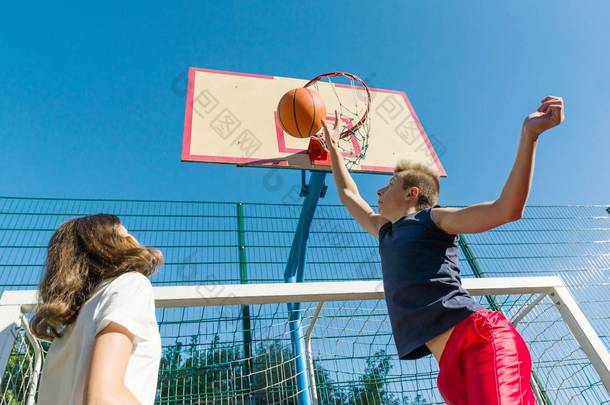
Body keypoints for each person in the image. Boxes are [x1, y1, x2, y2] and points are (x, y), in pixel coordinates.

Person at [321, 96, 564, 404]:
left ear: (412, 193)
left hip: (480, 340)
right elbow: (347, 193)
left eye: (390, 184)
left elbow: (506, 209)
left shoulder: (433, 218)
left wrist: (530, 135)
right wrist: (332, 150)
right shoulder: (384, 232)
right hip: (448, 369)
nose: (379, 191)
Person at [31, 214, 163, 405]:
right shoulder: (129, 285)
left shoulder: (65, 336)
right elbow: (103, 398)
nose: (134, 238)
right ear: (109, 245)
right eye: (124, 232)